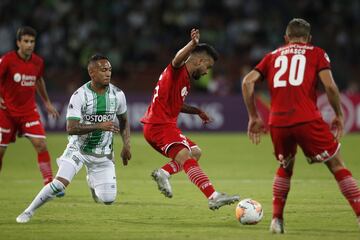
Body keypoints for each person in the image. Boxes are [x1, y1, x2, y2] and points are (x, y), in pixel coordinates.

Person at [242, 18, 360, 233]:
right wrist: (339, 114)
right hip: (306, 119)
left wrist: (253, 116)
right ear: (309, 38)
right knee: (337, 165)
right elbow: (331, 87)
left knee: (285, 167)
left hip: (277, 122)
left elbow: (247, 82)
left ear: (286, 38)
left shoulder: (272, 56)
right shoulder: (316, 53)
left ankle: (276, 220)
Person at [16, 54, 132, 223]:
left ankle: (91, 180)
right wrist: (99, 125)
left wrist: (126, 145)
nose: (108, 73)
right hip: (78, 149)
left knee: (108, 199)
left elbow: (124, 120)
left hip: (103, 154)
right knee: (59, 184)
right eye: (103, 70)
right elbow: (71, 129)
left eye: (109, 70)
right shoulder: (80, 96)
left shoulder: (118, 94)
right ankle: (28, 212)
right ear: (92, 73)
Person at [141, 28, 240, 210]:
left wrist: (197, 111)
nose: (206, 72)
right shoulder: (177, 70)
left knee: (195, 152)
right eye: (207, 66)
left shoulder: (185, 80)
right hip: (159, 126)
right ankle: (213, 196)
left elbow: (175, 105)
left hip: (163, 125)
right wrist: (192, 44)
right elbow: (178, 59)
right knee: (186, 156)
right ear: (200, 60)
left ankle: (163, 173)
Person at [0, 26, 59, 185]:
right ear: (18, 43)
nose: (29, 44)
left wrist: (46, 102)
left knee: (41, 144)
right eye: (26, 41)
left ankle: (49, 183)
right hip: (6, 113)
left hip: (28, 112)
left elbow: (39, 80)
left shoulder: (38, 62)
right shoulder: (7, 60)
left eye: (32, 41)